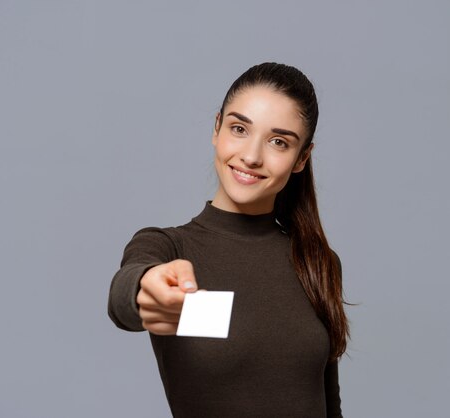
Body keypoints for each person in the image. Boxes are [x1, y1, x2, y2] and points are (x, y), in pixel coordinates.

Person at [108, 62, 349, 417]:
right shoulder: (169, 248)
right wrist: (146, 287)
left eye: (279, 141)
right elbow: (124, 295)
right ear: (217, 128)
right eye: (239, 128)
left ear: (301, 158)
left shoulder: (318, 261)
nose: (251, 156)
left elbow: (331, 407)